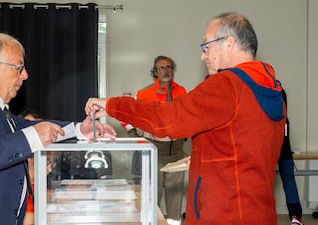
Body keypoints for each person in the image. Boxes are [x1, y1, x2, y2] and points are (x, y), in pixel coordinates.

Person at [85, 12, 286, 224]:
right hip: (258, 211)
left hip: (224, 213)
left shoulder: (226, 84)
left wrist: (111, 105)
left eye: (206, 46)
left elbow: (168, 119)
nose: (203, 55)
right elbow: (248, 145)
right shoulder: (270, 85)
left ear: (229, 44)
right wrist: (204, 156)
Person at [0, 32, 116, 225]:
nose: (25, 75)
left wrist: (79, 130)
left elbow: (26, 127)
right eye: (18, 68)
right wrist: (30, 138)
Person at [123, 55, 187, 225]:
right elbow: (128, 115)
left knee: (175, 199)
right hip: (155, 152)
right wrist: (135, 137)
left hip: (177, 152)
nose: (166, 71)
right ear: (155, 72)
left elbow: (187, 116)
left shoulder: (181, 91)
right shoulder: (145, 93)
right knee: (153, 197)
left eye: (169, 67)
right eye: (161, 68)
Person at [279, 89, 303, 225]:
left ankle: (295, 216)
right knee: (289, 181)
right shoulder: (285, 120)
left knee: (263, 182)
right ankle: (296, 216)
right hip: (284, 153)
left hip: (276, 153)